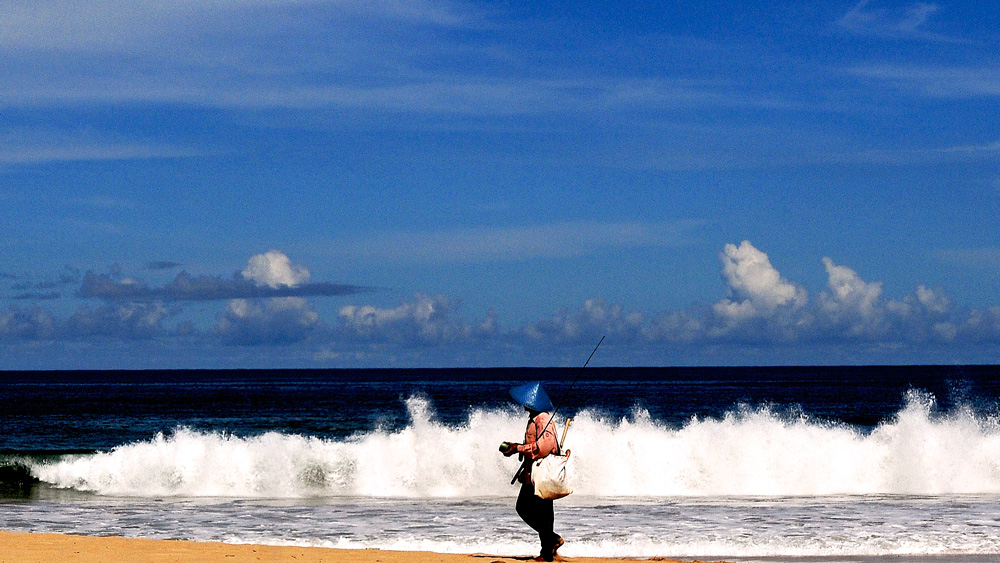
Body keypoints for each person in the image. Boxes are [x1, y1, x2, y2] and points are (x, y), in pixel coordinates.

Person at [500, 381, 564, 562]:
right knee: (525, 508)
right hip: (532, 473)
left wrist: (517, 448)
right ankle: (551, 542)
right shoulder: (534, 419)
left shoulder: (543, 419)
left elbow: (544, 447)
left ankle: (547, 551)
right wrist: (518, 453)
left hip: (542, 473)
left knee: (540, 511)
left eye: (526, 401)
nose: (523, 404)